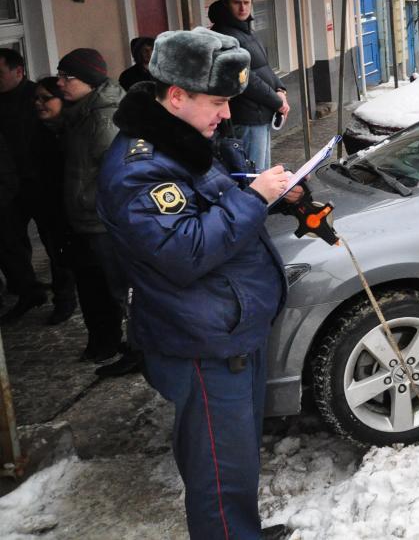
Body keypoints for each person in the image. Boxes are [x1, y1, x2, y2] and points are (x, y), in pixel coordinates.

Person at [97, 28, 297, 539]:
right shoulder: (139, 169)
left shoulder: (185, 140)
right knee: (218, 466)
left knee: (235, 455)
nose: (226, 114)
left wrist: (276, 195)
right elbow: (184, 252)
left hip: (229, 327)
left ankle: (240, 531)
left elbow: (216, 197)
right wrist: (254, 198)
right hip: (202, 341)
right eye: (217, 102)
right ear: (176, 96)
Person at [56, 48, 127, 368]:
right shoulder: (80, 111)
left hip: (102, 220)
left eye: (66, 76)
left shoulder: (103, 118)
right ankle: (107, 343)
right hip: (85, 217)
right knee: (95, 286)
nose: (60, 82)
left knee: (116, 289)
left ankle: (134, 348)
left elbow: (118, 175)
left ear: (88, 80)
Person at [208, 0, 289, 171]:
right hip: (246, 116)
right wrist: (276, 101)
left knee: (262, 170)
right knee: (254, 173)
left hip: (261, 113)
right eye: (237, 2)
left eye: (246, 2)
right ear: (226, 4)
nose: (243, 8)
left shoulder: (246, 30)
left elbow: (264, 67)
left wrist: (280, 89)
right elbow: (246, 78)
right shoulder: (223, 35)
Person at [0, 48, 50, 321]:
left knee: (53, 242)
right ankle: (27, 291)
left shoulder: (37, 97)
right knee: (10, 243)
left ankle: (64, 297)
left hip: (40, 181)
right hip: (8, 185)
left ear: (18, 71)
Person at [30, 77, 77, 324]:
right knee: (58, 257)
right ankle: (64, 301)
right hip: (49, 205)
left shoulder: (75, 128)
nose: (39, 103)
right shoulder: (36, 131)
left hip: (77, 206)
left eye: (46, 98)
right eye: (36, 99)